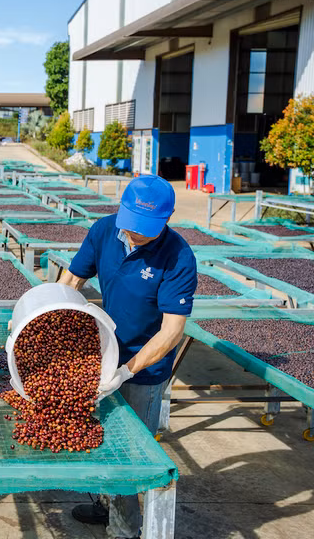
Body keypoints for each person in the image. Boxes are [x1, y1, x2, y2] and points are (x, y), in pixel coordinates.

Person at [58, 175, 197, 539]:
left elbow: (171, 332)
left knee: (131, 456)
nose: (135, 235)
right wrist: (47, 313)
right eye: (131, 224)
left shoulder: (179, 257)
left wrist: (126, 371)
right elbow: (71, 280)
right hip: (103, 353)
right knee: (104, 438)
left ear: (165, 220)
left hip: (144, 366)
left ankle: (123, 531)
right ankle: (106, 507)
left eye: (145, 229)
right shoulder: (104, 231)